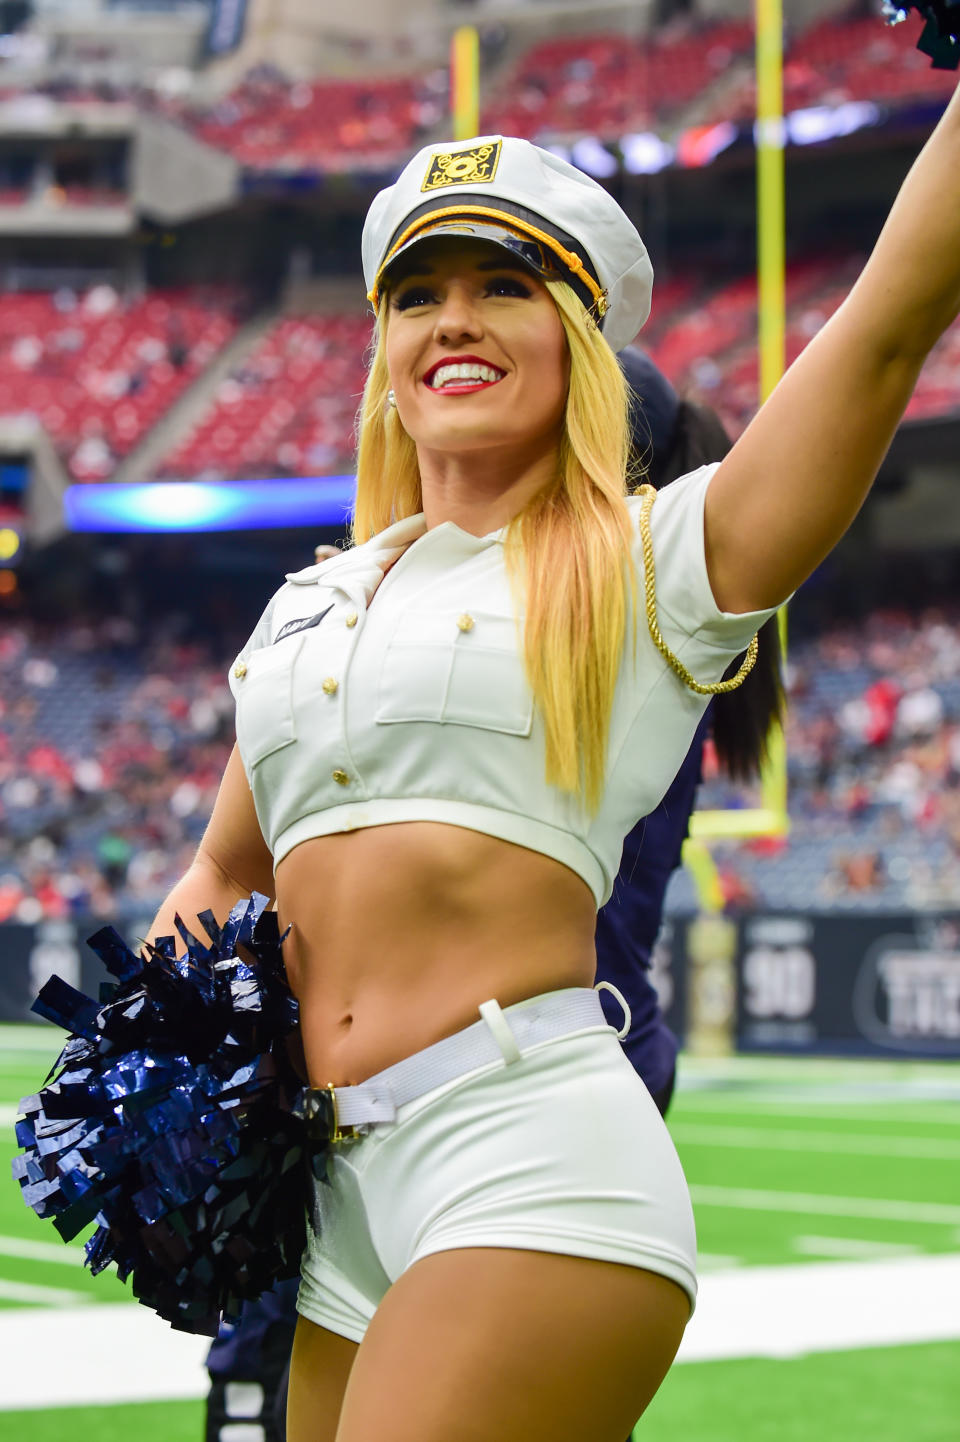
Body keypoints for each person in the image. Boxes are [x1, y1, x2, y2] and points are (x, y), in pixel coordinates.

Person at [147, 102, 960, 1441]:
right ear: (382, 348)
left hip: (524, 1150)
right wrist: (168, 1070)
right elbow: (228, 864)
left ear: (579, 341)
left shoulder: (651, 566)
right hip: (331, 1188)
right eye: (417, 294)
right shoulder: (310, 602)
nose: (450, 320)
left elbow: (882, 327)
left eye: (502, 287)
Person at [202, 353, 785, 1442]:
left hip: (517, 1078)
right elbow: (238, 857)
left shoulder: (626, 595)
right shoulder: (421, 598)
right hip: (361, 1126)